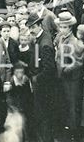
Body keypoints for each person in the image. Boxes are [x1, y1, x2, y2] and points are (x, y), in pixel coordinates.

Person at [26, 12, 56, 142]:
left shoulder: (45, 43)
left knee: (44, 117)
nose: (31, 30)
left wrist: (36, 79)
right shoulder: (40, 39)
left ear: (39, 26)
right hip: (41, 86)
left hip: (44, 88)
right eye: (29, 28)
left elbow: (49, 69)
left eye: (33, 27)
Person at [54, 10, 84, 140]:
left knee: (72, 105)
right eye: (61, 27)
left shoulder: (74, 42)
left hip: (71, 80)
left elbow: (79, 62)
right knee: (64, 104)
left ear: (70, 27)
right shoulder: (61, 38)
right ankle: (66, 129)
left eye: (65, 27)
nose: (62, 29)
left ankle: (74, 133)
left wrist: (66, 69)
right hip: (61, 78)